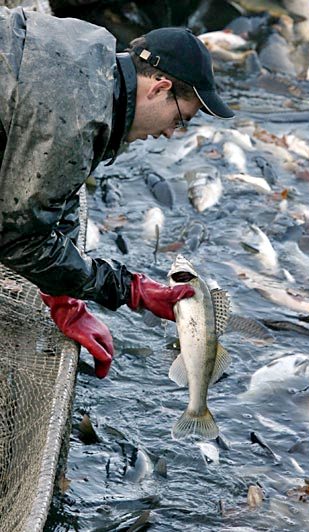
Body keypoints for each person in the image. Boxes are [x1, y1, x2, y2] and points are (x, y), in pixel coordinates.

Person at [0, 7, 234, 378]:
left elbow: (55, 196)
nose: (172, 133)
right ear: (159, 88)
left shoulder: (91, 57)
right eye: (179, 120)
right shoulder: (79, 115)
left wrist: (65, 300)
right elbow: (18, 238)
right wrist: (131, 290)